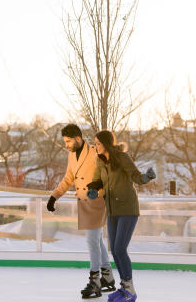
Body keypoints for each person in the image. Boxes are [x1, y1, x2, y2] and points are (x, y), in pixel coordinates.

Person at [46, 124, 115, 299]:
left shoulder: (94, 152)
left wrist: (99, 190)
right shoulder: (71, 155)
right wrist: (55, 196)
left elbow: (107, 175)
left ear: (78, 138)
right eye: (65, 141)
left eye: (68, 141)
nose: (66, 145)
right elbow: (69, 177)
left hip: (97, 200)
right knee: (97, 239)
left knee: (92, 241)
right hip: (83, 201)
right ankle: (107, 276)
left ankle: (95, 281)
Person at [87, 130, 156, 302]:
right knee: (114, 251)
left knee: (120, 249)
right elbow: (97, 180)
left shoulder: (122, 158)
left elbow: (136, 176)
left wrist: (146, 177)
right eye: (95, 143)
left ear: (107, 144)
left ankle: (130, 290)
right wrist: (93, 190)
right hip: (112, 210)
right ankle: (124, 287)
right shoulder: (100, 161)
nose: (96, 146)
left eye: (98, 143)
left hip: (127, 208)